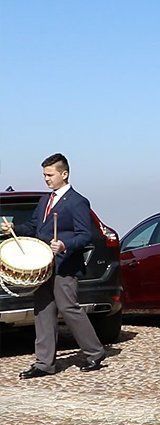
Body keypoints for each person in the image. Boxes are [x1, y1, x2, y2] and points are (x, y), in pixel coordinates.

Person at [2, 154, 107, 378]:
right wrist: (13, 227)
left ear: (64, 174)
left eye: (50, 175)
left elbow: (85, 235)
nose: (46, 179)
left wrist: (64, 245)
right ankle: (44, 363)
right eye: (44, 175)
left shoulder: (78, 201)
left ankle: (95, 352)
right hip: (44, 266)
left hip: (65, 265)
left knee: (68, 308)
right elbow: (34, 227)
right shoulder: (44, 201)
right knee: (43, 311)